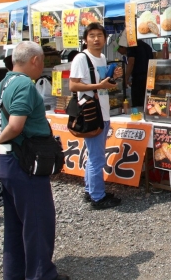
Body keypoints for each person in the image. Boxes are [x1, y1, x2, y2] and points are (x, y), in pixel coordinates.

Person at [0, 42, 69, 280]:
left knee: (16, 223)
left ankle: (15, 273)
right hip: (25, 162)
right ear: (35, 60)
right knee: (39, 222)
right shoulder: (24, 85)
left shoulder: (3, 84)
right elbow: (16, 125)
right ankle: (41, 275)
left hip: (8, 163)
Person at [70, 23, 123, 209]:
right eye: (91, 35)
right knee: (96, 158)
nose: (96, 39)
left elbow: (103, 84)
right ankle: (98, 198)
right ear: (85, 39)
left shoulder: (101, 57)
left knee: (94, 155)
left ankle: (90, 190)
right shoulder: (81, 58)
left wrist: (113, 77)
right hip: (91, 114)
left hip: (103, 112)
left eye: (99, 35)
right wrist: (99, 86)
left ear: (104, 38)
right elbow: (73, 86)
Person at [116, 32, 153, 107]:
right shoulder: (147, 46)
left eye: (119, 50)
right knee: (146, 101)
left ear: (123, 46)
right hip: (149, 77)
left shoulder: (132, 46)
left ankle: (138, 116)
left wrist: (125, 78)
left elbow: (131, 62)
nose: (119, 52)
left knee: (137, 102)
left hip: (139, 79)